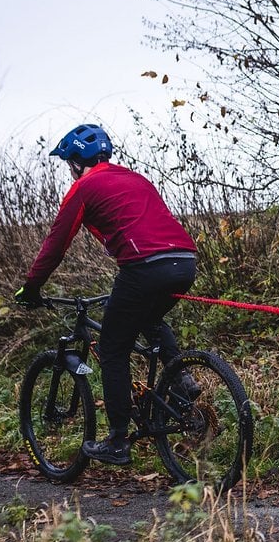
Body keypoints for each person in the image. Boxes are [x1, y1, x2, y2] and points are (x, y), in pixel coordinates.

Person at [15, 123, 199, 466]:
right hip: (185, 262)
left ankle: (117, 441)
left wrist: (32, 288)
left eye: (67, 163)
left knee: (113, 349)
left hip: (144, 267)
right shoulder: (136, 179)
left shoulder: (84, 187)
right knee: (150, 318)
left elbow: (55, 247)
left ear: (74, 161)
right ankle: (181, 381)